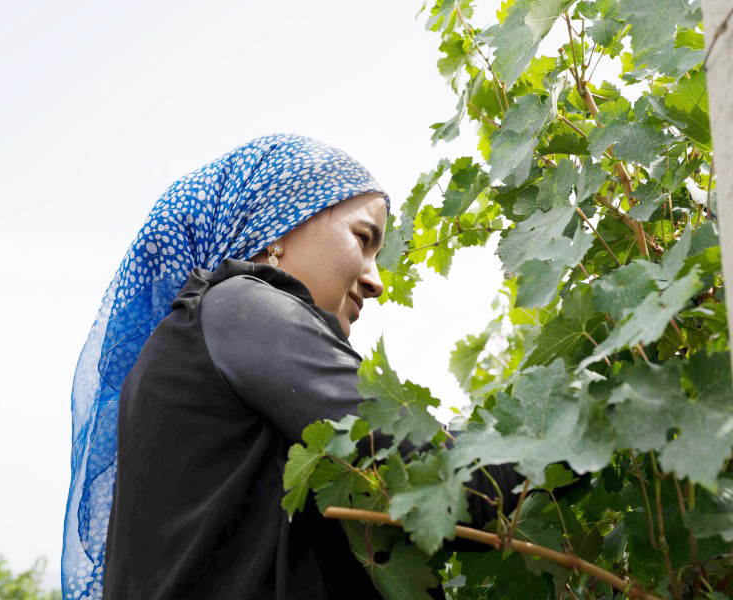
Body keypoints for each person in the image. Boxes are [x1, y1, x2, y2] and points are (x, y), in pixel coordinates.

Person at [63, 133, 517, 600]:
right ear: (279, 224)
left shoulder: (190, 349)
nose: (376, 280)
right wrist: (573, 433)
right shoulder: (240, 307)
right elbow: (437, 472)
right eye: (362, 238)